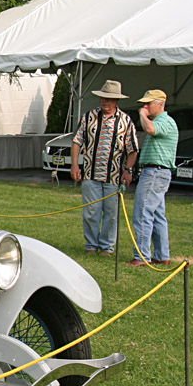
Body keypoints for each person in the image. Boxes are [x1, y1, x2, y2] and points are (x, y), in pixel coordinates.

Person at [70, 80, 138, 256]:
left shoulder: (125, 121)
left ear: (116, 101)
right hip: (90, 174)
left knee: (111, 214)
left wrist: (128, 170)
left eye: (109, 99)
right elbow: (77, 141)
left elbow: (133, 150)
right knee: (91, 212)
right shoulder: (88, 117)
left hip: (114, 176)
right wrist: (75, 165)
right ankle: (91, 245)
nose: (105, 102)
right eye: (103, 99)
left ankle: (107, 247)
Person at [128, 89, 178, 267]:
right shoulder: (161, 121)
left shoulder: (165, 122)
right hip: (158, 173)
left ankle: (142, 256)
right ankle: (162, 255)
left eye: (149, 103)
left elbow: (150, 129)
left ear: (160, 104)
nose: (145, 106)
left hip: (155, 172)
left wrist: (142, 115)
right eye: (144, 104)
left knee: (142, 212)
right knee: (157, 215)